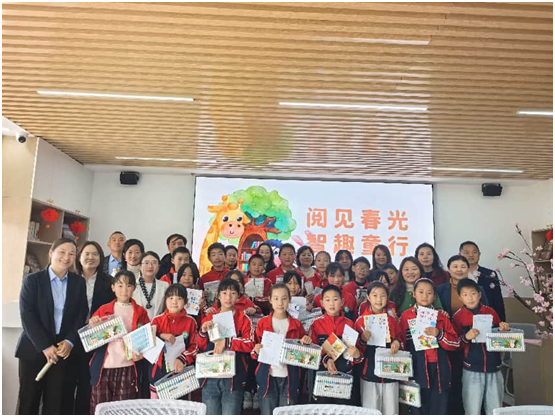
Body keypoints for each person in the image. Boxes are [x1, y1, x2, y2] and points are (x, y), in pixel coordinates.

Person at [16, 238, 88, 415]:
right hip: (34, 348)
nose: (66, 257)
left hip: (63, 350)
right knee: (29, 401)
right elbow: (27, 316)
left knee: (57, 403)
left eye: (72, 253)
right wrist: (45, 346)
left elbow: (81, 314)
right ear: (51, 253)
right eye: (62, 252)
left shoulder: (78, 282)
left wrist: (70, 341)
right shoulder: (32, 280)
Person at [89, 270, 150, 414]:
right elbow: (91, 339)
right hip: (104, 366)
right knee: (100, 406)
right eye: (120, 285)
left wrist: (141, 353)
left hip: (128, 366)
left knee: (123, 409)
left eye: (129, 286)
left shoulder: (140, 312)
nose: (124, 290)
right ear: (113, 287)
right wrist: (93, 324)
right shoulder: (103, 310)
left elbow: (146, 338)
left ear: (134, 288)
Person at [67, 241, 116, 414]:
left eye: (95, 254)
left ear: (101, 258)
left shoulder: (108, 282)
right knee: (67, 381)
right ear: (79, 257)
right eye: (87, 254)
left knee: (87, 382)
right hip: (70, 337)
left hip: (96, 338)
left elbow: (113, 309)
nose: (91, 257)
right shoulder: (69, 278)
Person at [399, 278, 460, 415]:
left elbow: (455, 343)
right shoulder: (406, 316)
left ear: (434, 296)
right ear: (414, 294)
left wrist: (439, 334)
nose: (425, 296)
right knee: (417, 405)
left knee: (439, 405)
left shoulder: (441, 317)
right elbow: (401, 343)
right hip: (415, 367)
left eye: (429, 293)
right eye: (421, 292)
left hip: (439, 368)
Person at [452, 279, 511, 415]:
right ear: (460, 298)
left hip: (494, 367)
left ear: (479, 295)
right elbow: (455, 343)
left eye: (473, 293)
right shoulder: (458, 317)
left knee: (495, 408)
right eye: (465, 295)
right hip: (471, 368)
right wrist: (467, 337)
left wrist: (504, 329)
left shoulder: (491, 312)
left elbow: (501, 336)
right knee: (472, 407)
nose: (470, 297)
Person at [252, 284, 313, 414]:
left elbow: (304, 352)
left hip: (290, 376)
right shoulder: (263, 323)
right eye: (276, 298)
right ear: (270, 300)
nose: (280, 303)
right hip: (267, 376)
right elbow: (253, 349)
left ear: (289, 300)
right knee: (268, 411)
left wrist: (305, 342)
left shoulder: (296, 324)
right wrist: (256, 350)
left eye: (284, 298)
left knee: (287, 412)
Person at [197, 278, 255, 415]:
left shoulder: (243, 319)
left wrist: (228, 342)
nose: (228, 297)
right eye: (224, 293)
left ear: (239, 296)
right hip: (210, 374)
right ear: (218, 295)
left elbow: (250, 344)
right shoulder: (210, 317)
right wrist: (203, 332)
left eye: (233, 293)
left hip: (233, 377)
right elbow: (199, 346)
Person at [355, 281, 403, 415]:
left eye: (383, 295)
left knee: (391, 411)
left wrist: (397, 343)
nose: (379, 299)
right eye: (375, 295)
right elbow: (355, 350)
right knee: (370, 411)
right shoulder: (361, 321)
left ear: (387, 298)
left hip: (391, 373)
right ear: (368, 297)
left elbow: (401, 339)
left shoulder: (392, 321)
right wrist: (362, 340)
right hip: (369, 374)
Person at [309, 285, 363, 404]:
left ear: (342, 302)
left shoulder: (350, 324)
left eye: (335, 299)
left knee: (343, 409)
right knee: (323, 409)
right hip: (322, 376)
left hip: (344, 377)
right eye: (327, 300)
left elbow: (357, 354)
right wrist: (327, 359)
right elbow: (313, 351)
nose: (331, 303)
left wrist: (356, 355)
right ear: (322, 303)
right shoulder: (316, 325)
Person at [149, 285, 198, 398]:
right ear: (165, 300)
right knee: (158, 404)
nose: (174, 302)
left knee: (180, 404)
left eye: (179, 298)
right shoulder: (157, 320)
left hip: (181, 371)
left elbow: (195, 347)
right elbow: (148, 343)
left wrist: (182, 358)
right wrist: (160, 335)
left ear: (185, 301)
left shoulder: (190, 322)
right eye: (171, 298)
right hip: (159, 371)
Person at [459, 241, 506, 321]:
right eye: (467, 252)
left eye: (474, 252)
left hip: (488, 318)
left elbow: (498, 301)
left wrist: (501, 322)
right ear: (460, 255)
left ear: (479, 254)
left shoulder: (490, 274)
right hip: (463, 320)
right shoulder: (457, 275)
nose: (471, 255)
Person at [133, 251, 169, 320]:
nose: (150, 266)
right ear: (140, 266)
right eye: (146, 263)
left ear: (158, 267)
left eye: (154, 263)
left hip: (158, 324)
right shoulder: (132, 286)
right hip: (138, 324)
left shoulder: (165, 286)